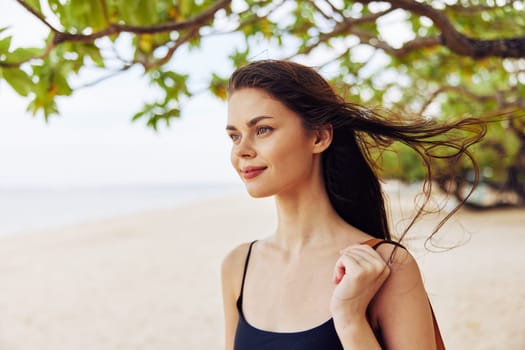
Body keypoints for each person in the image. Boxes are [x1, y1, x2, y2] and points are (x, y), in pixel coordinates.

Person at [221, 60, 484, 349]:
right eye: (235, 136)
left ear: (320, 136)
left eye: (262, 130)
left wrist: (350, 319)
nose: (241, 151)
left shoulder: (388, 266)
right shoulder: (237, 266)